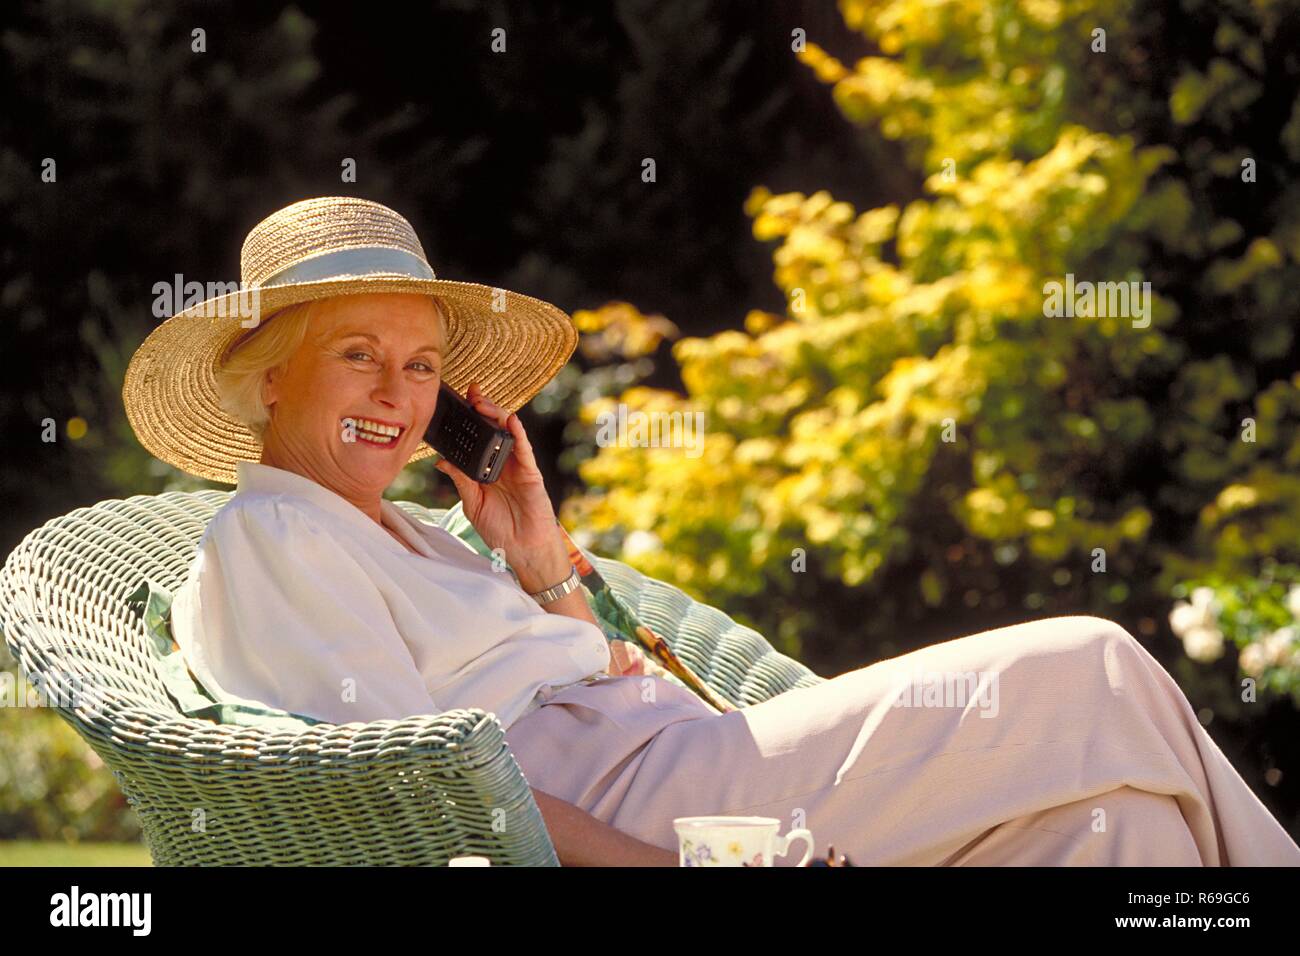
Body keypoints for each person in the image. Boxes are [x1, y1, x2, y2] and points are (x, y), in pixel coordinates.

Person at [125, 196, 1300, 866]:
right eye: (357, 355)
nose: (397, 393)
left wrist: (535, 550)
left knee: (1120, 832)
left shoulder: (411, 534)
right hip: (665, 811)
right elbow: (421, 787)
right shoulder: (271, 537)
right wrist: (678, 868)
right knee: (1089, 665)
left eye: (421, 366)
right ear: (269, 378)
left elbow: (590, 670)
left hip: (693, 754)